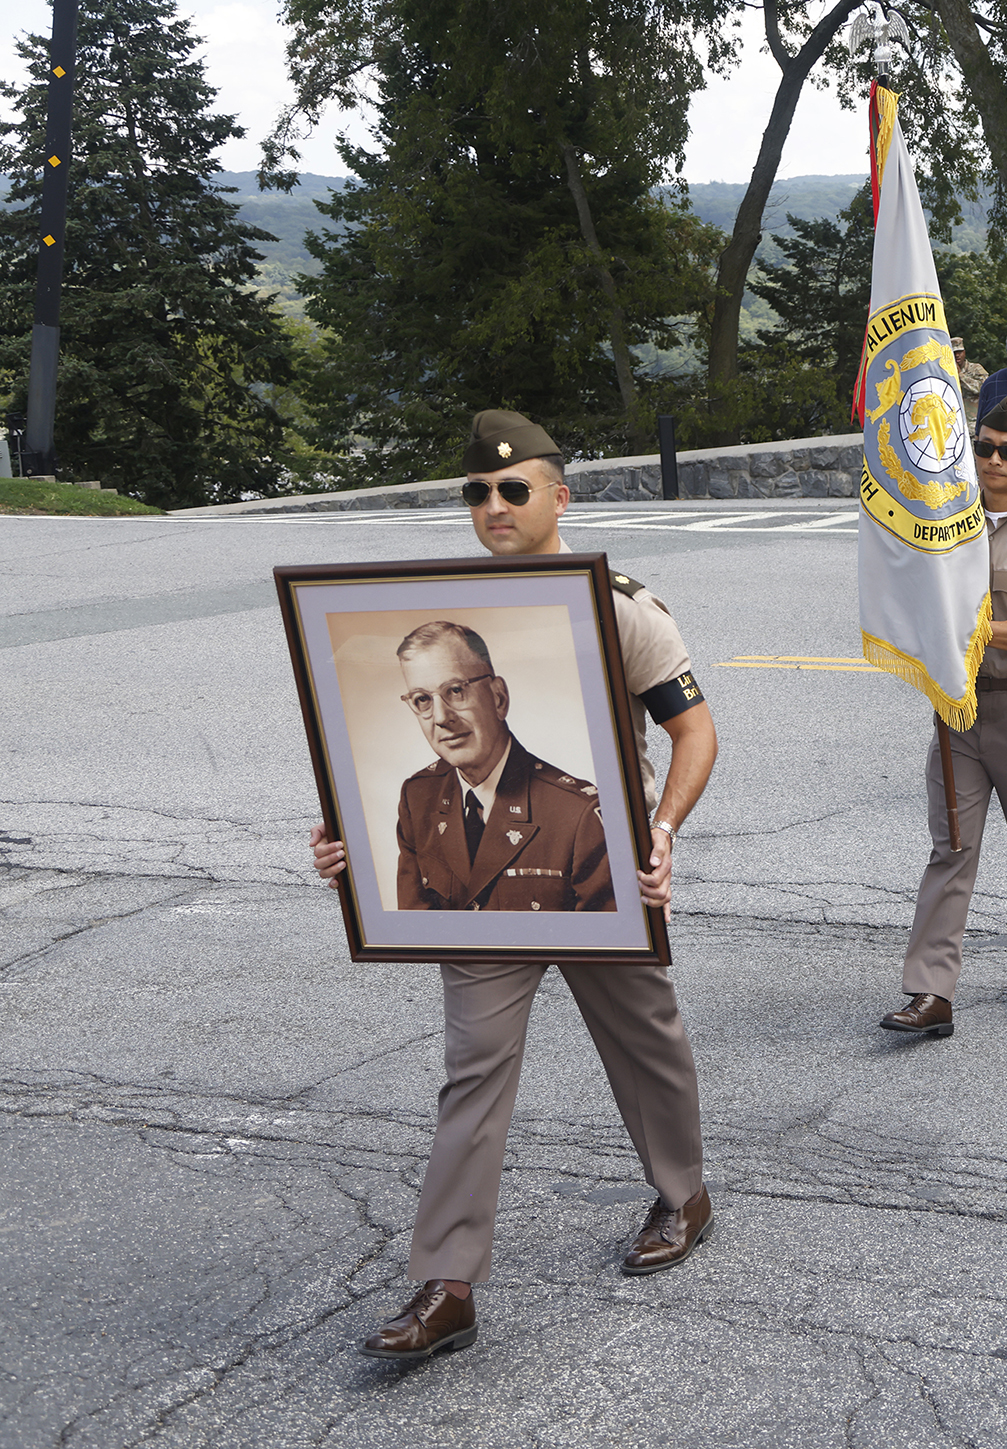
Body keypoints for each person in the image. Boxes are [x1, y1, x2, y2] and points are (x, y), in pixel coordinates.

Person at [309, 409, 720, 1362]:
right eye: (477, 492)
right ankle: (447, 1283)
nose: (493, 504)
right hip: (476, 898)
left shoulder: (616, 605)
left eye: (514, 488)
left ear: (558, 497)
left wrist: (660, 832)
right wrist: (349, 855)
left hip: (600, 874)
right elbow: (381, 811)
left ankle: (683, 1193)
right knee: (473, 1075)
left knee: (645, 1041)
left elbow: (694, 731)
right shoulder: (433, 610)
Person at [881, 396, 1007, 1037]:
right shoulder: (945, 522)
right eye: (984, 447)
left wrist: (968, 628)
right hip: (958, 708)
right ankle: (930, 991)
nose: (992, 460)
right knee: (951, 848)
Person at [390, 621, 615, 913]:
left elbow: (603, 948)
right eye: (422, 699)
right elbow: (417, 932)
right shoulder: (418, 797)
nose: (441, 717)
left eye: (455, 691)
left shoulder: (578, 814)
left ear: (498, 698)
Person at [953, 338, 988, 407]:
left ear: (964, 353)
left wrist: (960, 375)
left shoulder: (976, 369)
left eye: (959, 352)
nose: (957, 355)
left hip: (973, 415)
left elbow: (983, 389)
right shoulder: (945, 372)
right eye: (954, 352)